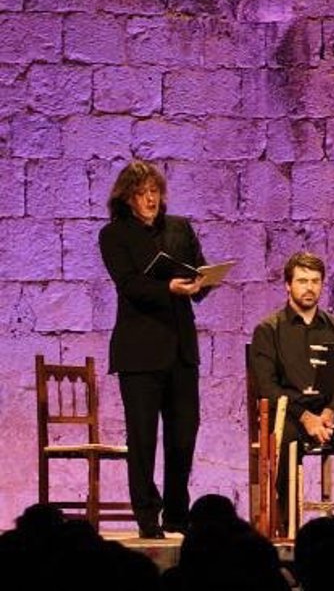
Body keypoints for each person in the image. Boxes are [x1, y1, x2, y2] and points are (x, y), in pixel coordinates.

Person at [98, 160, 211, 539]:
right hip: (140, 352)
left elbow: (198, 270)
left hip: (181, 349)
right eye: (142, 193)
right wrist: (168, 288)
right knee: (143, 437)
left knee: (184, 433)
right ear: (127, 198)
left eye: (155, 192)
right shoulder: (114, 235)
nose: (150, 199)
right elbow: (128, 284)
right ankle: (147, 515)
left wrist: (203, 282)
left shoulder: (179, 227)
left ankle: (177, 514)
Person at [250, 251, 334, 527]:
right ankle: (286, 522)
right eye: (302, 281)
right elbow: (267, 387)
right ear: (288, 285)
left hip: (329, 413)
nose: (309, 287)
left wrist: (330, 411)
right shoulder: (268, 330)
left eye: (315, 281)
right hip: (289, 414)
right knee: (285, 439)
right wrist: (305, 416)